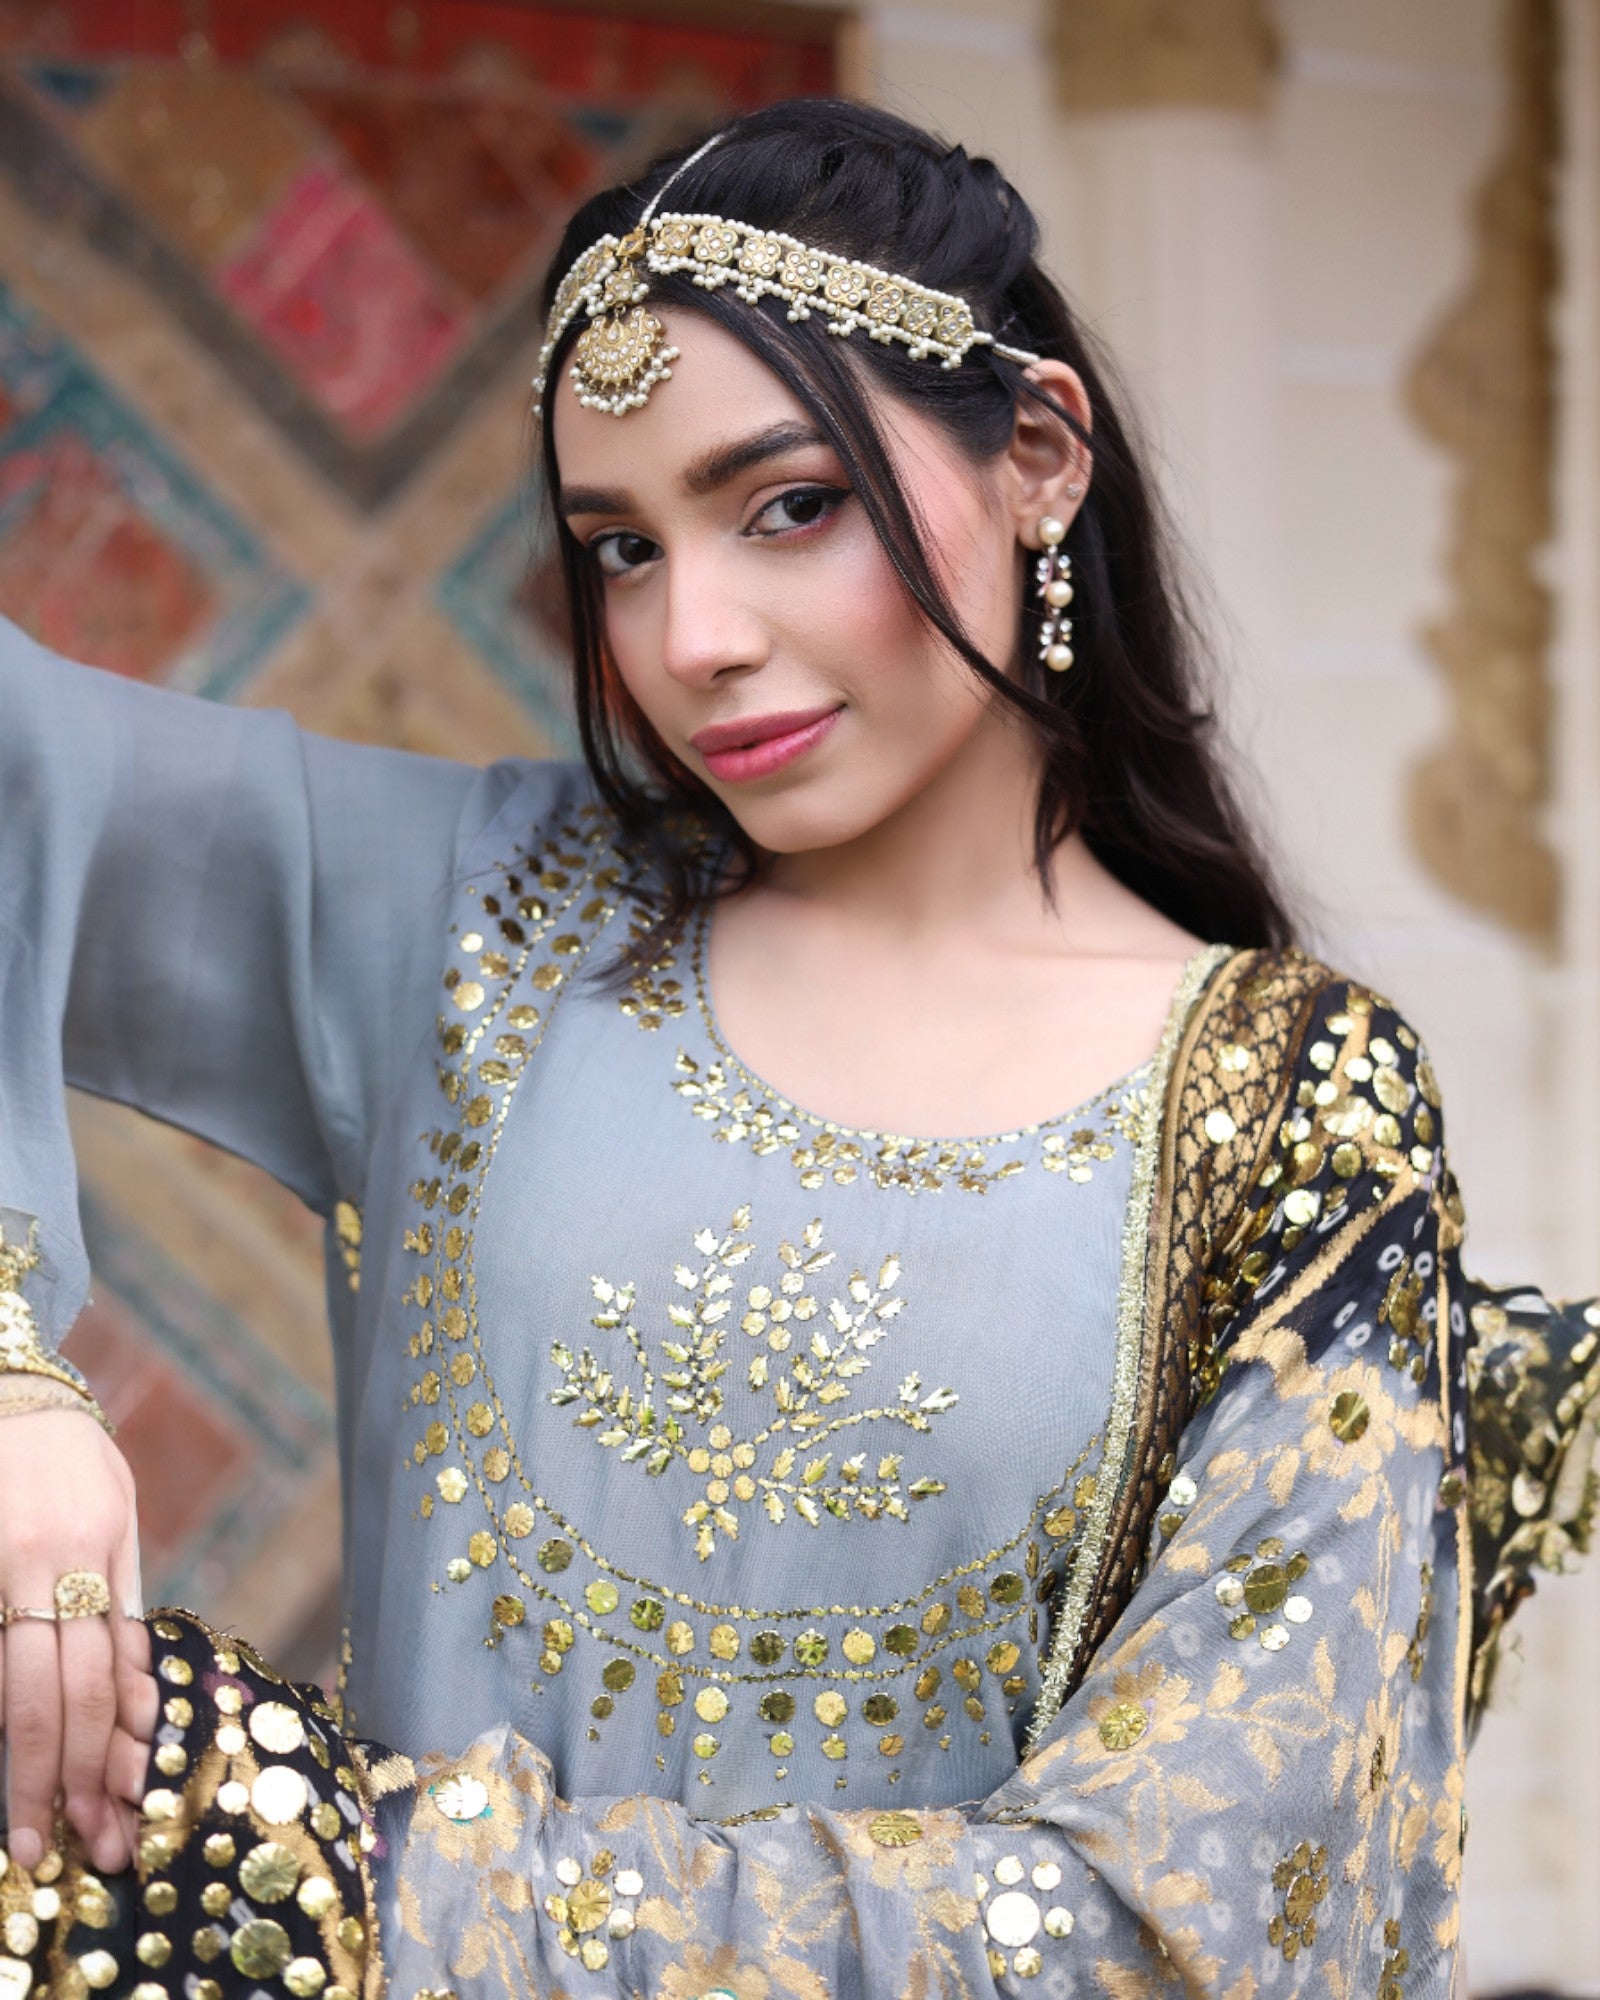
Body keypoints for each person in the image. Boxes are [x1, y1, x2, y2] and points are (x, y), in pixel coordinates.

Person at [0, 98, 1594, 2000]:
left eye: (787, 506)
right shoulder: (478, 925)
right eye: (619, 549)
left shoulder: (1289, 1118)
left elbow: (1196, 1920)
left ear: (1040, 458)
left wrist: (337, 1875)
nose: (695, 637)